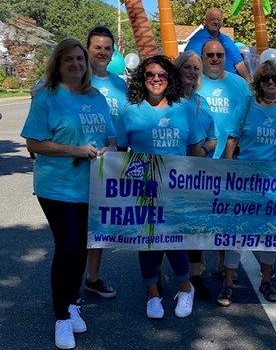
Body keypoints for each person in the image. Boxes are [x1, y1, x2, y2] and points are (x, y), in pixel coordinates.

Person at [21, 38, 117, 349]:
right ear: (58, 65)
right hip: (57, 187)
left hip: (92, 186)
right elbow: (34, 144)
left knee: (80, 247)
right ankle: (61, 316)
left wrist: (108, 151)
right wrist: (73, 149)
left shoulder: (96, 97)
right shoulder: (47, 97)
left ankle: (72, 301)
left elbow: (111, 139)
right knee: (68, 246)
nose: (75, 64)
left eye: (79, 59)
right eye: (68, 60)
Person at [116, 55, 206, 320]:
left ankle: (184, 287)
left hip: (176, 189)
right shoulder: (130, 111)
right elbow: (120, 152)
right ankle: (153, 294)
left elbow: (196, 148)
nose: (156, 80)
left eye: (162, 75)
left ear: (170, 79)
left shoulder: (184, 109)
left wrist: (212, 174)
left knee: (174, 240)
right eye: (150, 75)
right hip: (143, 189)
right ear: (142, 80)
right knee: (147, 243)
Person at [218, 60, 276, 307]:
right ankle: (229, 283)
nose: (271, 83)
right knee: (237, 233)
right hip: (244, 179)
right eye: (266, 79)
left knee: (270, 234)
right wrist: (229, 172)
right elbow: (232, 140)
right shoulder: (247, 104)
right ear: (259, 83)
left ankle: (266, 281)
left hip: (274, 182)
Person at [84, 26, 128, 298]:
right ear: (87, 48)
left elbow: (127, 119)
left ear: (113, 53)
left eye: (107, 48)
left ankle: (93, 277)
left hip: (112, 161)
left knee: (99, 224)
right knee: (76, 227)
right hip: (80, 161)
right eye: (97, 47)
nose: (102, 52)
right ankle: (68, 287)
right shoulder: (78, 79)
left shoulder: (119, 84)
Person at [174, 50, 218, 299]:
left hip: (197, 174)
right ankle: (158, 276)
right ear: (178, 69)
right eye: (186, 67)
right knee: (167, 224)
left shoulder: (201, 102)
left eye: (195, 69)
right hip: (171, 173)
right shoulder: (168, 100)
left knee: (194, 226)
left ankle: (196, 275)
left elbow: (213, 137)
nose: (191, 72)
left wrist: (203, 148)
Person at [197, 40, 251, 159]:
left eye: (220, 55)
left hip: (231, 158)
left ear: (225, 57)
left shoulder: (240, 84)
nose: (215, 58)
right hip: (199, 158)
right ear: (202, 58)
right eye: (210, 55)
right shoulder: (194, 83)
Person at [185, 8, 252, 82]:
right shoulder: (197, 39)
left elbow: (239, 64)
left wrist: (249, 83)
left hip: (230, 85)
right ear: (205, 21)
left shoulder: (226, 40)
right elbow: (189, 64)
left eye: (219, 20)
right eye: (212, 19)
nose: (216, 22)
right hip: (207, 85)